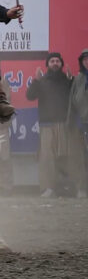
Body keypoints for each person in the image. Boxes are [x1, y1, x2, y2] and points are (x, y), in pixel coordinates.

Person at [27, 52, 82, 197]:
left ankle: (73, 188)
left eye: (57, 61)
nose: (55, 63)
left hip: (66, 124)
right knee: (47, 158)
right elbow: (30, 96)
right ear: (48, 65)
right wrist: (36, 81)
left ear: (61, 64)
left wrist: (71, 81)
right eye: (52, 61)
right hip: (47, 125)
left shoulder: (68, 80)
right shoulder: (42, 81)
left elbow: (77, 99)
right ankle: (47, 188)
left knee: (69, 157)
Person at [68, 48, 88, 198]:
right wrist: (71, 121)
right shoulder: (78, 79)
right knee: (81, 158)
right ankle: (82, 188)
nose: (87, 61)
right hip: (82, 124)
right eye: (85, 59)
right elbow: (72, 103)